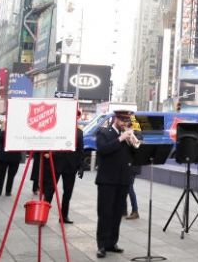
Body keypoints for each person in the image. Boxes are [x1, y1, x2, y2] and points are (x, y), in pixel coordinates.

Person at [94, 110, 139, 258]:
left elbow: (134, 156)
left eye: (126, 121)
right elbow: (103, 150)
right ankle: (101, 245)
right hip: (107, 180)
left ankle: (112, 243)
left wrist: (133, 143)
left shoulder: (127, 135)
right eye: (122, 120)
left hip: (123, 180)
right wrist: (120, 139)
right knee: (105, 213)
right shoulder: (104, 133)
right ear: (115, 119)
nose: (124, 123)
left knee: (117, 213)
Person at [43, 110, 85, 223]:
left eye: (76, 117)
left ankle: (63, 216)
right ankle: (43, 216)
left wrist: (81, 165)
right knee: (49, 191)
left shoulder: (79, 132)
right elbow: (49, 143)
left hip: (71, 167)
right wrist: (47, 153)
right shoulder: (58, 129)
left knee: (68, 192)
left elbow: (81, 150)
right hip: (56, 164)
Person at [0, 128, 23, 197]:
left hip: (11, 157)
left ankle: (1, 191)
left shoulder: (5, 132)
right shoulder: (5, 132)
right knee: (5, 176)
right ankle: (6, 191)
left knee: (7, 176)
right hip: (7, 157)